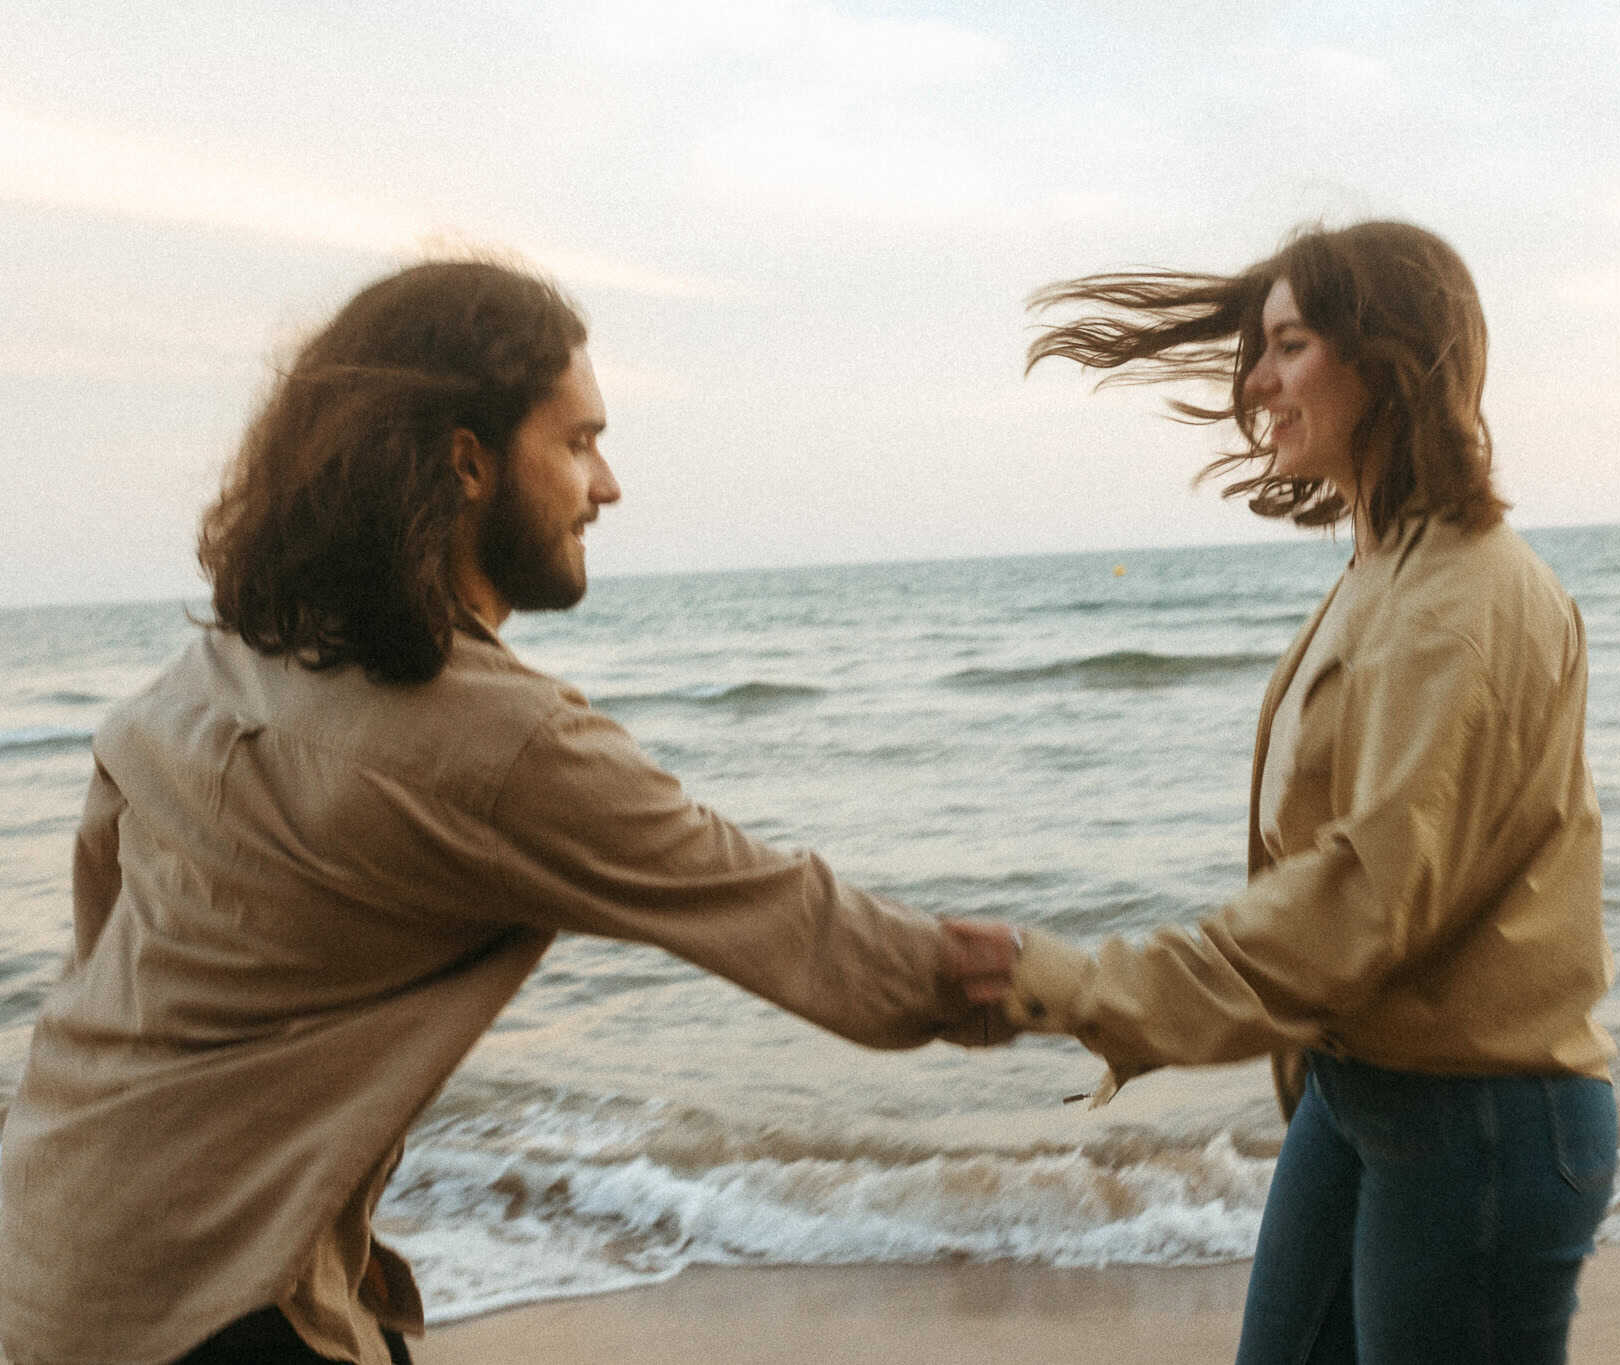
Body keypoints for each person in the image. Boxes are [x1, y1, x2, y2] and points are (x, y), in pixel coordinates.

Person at [0, 260, 1019, 1365]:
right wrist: (1083, 989)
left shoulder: (216, 667)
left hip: (48, 1241)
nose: (607, 485)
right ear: (467, 463)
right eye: (578, 443)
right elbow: (781, 915)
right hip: (204, 1296)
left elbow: (103, 937)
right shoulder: (495, 741)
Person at [962, 221, 1617, 1363]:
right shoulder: (1384, 568)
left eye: (1290, 345)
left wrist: (1082, 984)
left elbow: (1358, 899)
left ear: (1390, 360)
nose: (1255, 382)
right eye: (1257, 348)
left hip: (1477, 1124)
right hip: (1360, 1091)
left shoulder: (1459, 603)